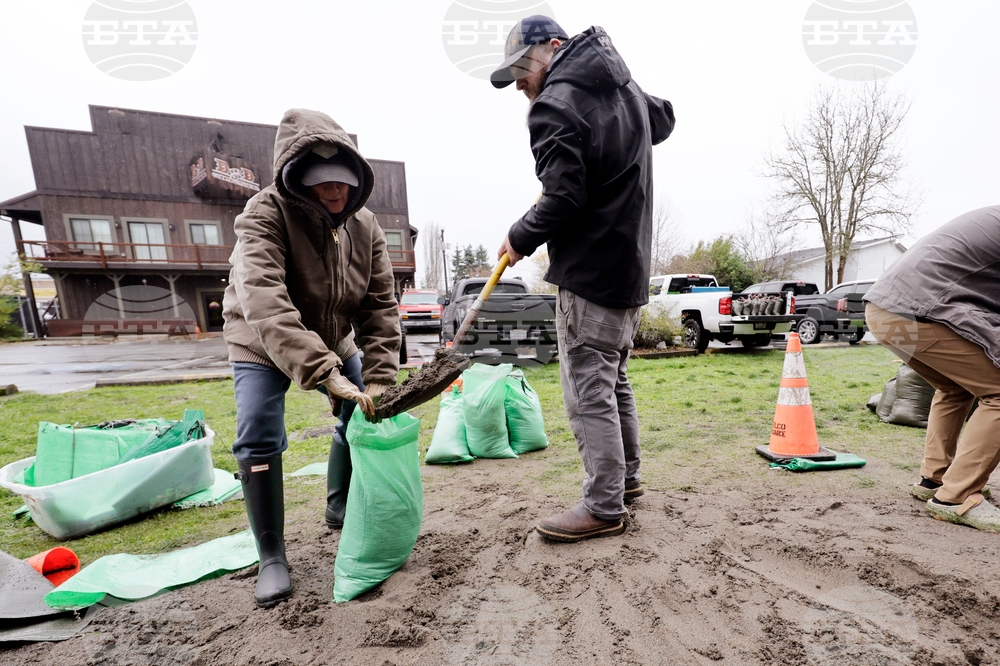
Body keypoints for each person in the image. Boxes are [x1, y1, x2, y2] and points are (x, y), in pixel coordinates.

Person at [491, 16, 675, 542]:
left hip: (592, 271)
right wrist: (624, 110)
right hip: (630, 267)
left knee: (588, 389)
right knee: (613, 380)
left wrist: (519, 235)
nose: (522, 86)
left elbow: (564, 199)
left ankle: (603, 504)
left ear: (553, 48)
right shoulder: (626, 88)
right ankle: (626, 482)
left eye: (523, 71)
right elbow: (664, 119)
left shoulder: (555, 105)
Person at [223, 108, 400, 607]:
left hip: (334, 336)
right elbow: (263, 299)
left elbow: (380, 306)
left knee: (362, 407)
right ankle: (272, 555)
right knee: (258, 429)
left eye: (342, 182)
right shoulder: (263, 215)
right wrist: (322, 373)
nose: (333, 191)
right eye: (321, 183)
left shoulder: (366, 227)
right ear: (296, 177)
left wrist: (381, 377)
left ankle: (339, 506)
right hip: (260, 339)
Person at [865, 205, 1000, 532]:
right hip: (917, 314)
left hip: (883, 315)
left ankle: (933, 480)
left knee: (955, 387)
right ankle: (956, 497)